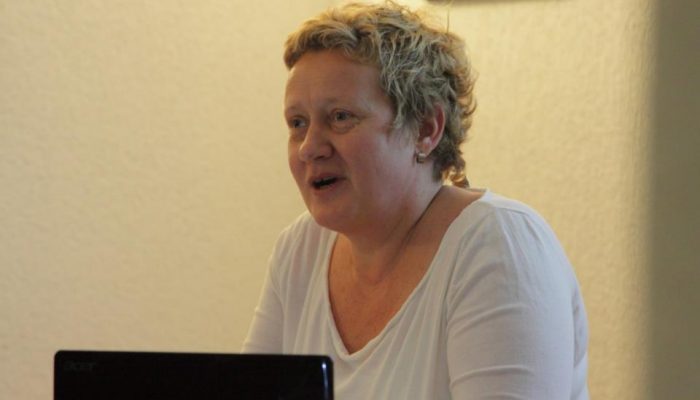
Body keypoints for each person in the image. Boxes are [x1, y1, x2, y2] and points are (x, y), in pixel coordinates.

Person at [243, 1, 589, 399]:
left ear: (425, 129)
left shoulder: (500, 246)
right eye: (297, 123)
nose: (309, 148)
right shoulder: (299, 250)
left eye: (340, 117)